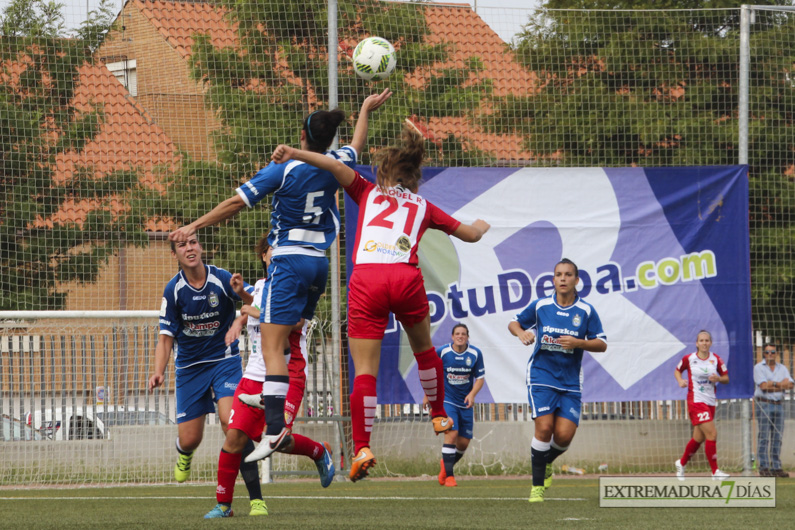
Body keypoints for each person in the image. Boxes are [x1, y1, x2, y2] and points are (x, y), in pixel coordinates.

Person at [169, 90, 392, 463]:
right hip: (319, 262)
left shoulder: (285, 167)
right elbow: (357, 144)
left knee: (271, 348)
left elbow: (235, 203)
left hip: (288, 263)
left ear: (301, 137)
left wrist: (193, 224)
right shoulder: (338, 160)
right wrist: (365, 110)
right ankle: (272, 395)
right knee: (291, 333)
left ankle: (274, 428)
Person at [270, 126, 490, 482]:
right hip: (404, 278)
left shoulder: (367, 191)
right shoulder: (423, 205)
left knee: (365, 372)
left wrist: (294, 153)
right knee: (424, 349)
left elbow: (330, 165)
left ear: (388, 175)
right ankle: (438, 414)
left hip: (367, 280)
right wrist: (480, 226)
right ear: (415, 184)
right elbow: (469, 234)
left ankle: (362, 447)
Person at [204, 236, 335, 519]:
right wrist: (242, 296)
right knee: (234, 439)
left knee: (279, 440)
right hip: (253, 376)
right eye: (272, 251)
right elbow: (255, 301)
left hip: (288, 373)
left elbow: (294, 322)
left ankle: (318, 452)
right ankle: (223, 505)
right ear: (265, 257)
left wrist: (251, 311)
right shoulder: (261, 287)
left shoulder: (296, 288)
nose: (277, 255)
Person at [147, 236, 269, 516]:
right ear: (175, 254)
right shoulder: (173, 290)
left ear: (201, 247)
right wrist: (158, 372)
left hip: (224, 362)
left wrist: (242, 294)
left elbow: (255, 304)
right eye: (182, 245)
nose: (189, 248)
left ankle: (256, 500)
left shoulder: (222, 279)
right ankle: (184, 452)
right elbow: (165, 338)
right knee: (190, 439)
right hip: (189, 369)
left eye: (193, 242)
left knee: (233, 425)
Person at [507, 258, 607, 504]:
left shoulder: (585, 311)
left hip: (570, 382)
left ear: (576, 280)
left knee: (563, 437)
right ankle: (537, 488)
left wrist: (579, 343)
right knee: (544, 429)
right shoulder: (541, 306)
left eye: (568, 274)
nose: (563, 278)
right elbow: (513, 322)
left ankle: (547, 461)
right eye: (558, 274)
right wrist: (521, 333)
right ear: (553, 280)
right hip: (541, 376)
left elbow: (602, 343)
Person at [425, 323, 485, 487]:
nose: (460, 336)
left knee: (463, 443)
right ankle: (450, 477)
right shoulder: (443, 352)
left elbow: (480, 379)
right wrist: (427, 395)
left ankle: (445, 466)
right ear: (452, 336)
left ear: (467, 337)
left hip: (465, 403)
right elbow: (430, 371)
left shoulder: (475, 354)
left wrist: (472, 394)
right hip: (447, 400)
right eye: (457, 333)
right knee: (451, 434)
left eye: (463, 334)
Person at [674, 330, 730, 481]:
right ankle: (715, 472)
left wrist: (718, 378)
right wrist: (680, 381)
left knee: (698, 438)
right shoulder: (689, 359)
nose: (704, 343)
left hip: (710, 401)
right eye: (701, 340)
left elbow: (726, 378)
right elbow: (677, 371)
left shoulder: (716, 359)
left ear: (710, 343)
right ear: (697, 343)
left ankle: (681, 463)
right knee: (712, 434)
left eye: (707, 340)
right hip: (696, 401)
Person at [754, 343, 794, 478]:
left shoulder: (782, 368)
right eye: (767, 352)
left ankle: (776, 467)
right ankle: (764, 467)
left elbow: (791, 384)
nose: (770, 354)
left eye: (772, 352)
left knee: (777, 437)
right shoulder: (758, 368)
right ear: (764, 354)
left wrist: (773, 383)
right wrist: (780, 384)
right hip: (764, 404)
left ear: (776, 353)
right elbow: (764, 387)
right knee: (764, 437)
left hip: (779, 405)